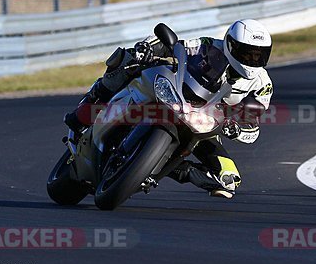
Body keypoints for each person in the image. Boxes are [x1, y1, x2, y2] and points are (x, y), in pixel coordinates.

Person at [64, 19, 274, 199]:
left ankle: (158, 171)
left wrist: (237, 128)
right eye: (247, 54)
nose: (253, 60)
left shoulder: (262, 85)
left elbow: (253, 124)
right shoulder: (209, 46)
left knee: (229, 179)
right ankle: (92, 101)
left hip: (206, 123)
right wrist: (148, 48)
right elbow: (179, 47)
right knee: (129, 61)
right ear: (231, 44)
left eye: (259, 55)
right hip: (179, 95)